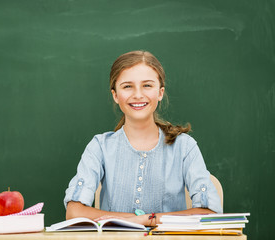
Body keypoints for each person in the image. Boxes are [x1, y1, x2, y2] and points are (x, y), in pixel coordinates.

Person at [63, 50, 222, 227]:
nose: (138, 95)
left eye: (147, 85)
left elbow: (210, 213)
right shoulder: (100, 147)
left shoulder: (184, 147)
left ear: (160, 92)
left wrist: (147, 219)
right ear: (115, 95)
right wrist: (130, 220)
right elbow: (74, 211)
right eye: (127, 86)